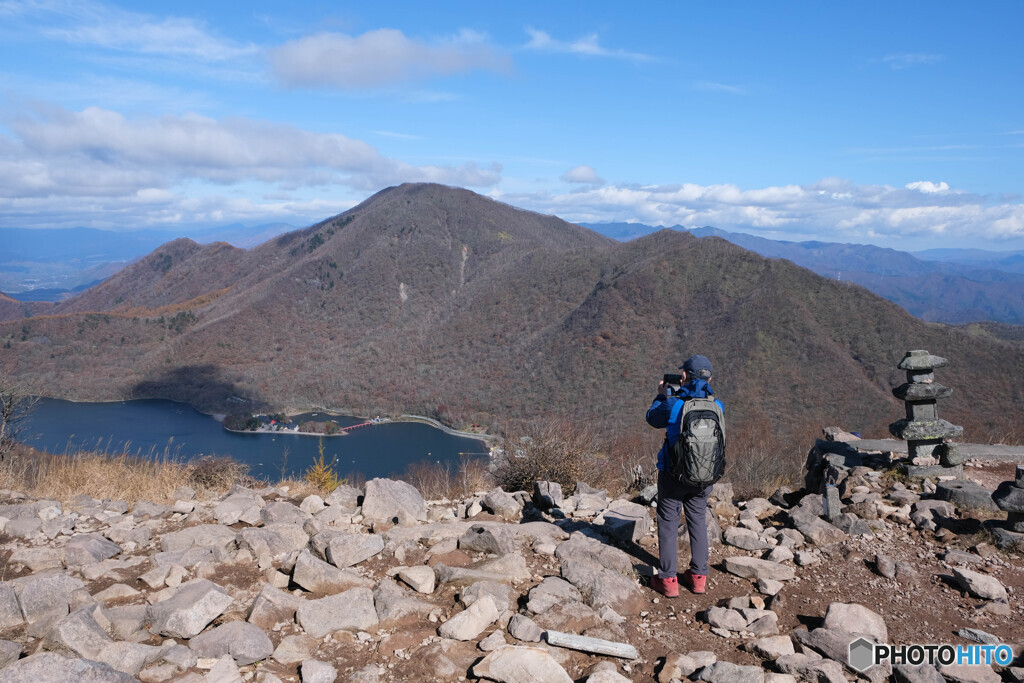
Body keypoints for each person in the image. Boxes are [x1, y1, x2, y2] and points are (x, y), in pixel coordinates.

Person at [645, 354, 723, 597]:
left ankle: (668, 581)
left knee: (668, 524)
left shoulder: (675, 403)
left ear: (685, 376)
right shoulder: (717, 405)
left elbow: (651, 418)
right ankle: (699, 578)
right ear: (709, 378)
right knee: (697, 521)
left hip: (673, 475)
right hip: (706, 475)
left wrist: (662, 394)